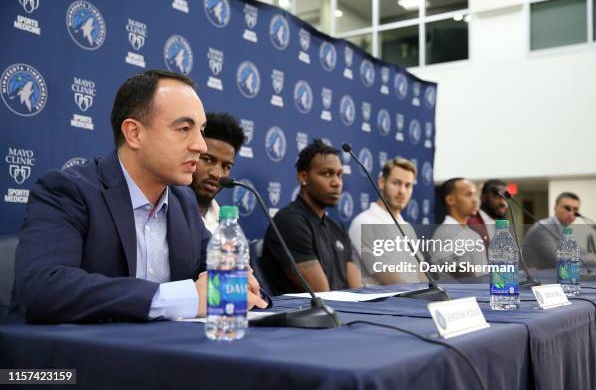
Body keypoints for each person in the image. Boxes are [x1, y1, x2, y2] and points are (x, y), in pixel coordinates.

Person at [12, 70, 268, 324]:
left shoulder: (184, 202)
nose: (200, 146)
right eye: (184, 129)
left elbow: (223, 274)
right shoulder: (68, 190)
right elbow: (42, 289)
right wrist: (183, 297)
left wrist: (238, 285)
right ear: (134, 133)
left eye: (200, 130)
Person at [262, 139, 362, 294]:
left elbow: (358, 291)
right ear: (303, 177)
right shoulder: (290, 222)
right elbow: (322, 295)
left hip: (344, 313)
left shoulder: (337, 228)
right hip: (309, 316)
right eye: (326, 174)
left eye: (339, 175)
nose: (336, 182)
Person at [348, 158, 424, 285]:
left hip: (413, 299)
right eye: (396, 183)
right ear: (382, 182)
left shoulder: (406, 227)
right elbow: (386, 276)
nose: (402, 191)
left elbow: (421, 272)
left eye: (408, 185)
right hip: (385, 302)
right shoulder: (364, 222)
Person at [523, 192, 596, 269]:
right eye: (567, 208)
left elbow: (577, 251)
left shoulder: (563, 228)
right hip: (533, 281)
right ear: (555, 208)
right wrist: (594, 259)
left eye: (575, 210)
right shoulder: (543, 227)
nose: (571, 213)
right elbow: (557, 260)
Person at [189, 112, 245, 233]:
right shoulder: (165, 211)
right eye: (208, 160)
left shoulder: (227, 224)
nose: (217, 174)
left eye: (226, 166)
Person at [429, 178, 487, 279]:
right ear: (450, 200)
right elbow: (464, 279)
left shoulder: (472, 234)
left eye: (475, 194)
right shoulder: (445, 234)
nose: (475, 200)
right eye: (468, 195)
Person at [468, 179, 509, 245]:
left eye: (505, 197)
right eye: (497, 197)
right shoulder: (470, 222)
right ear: (483, 197)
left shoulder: (503, 224)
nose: (503, 202)